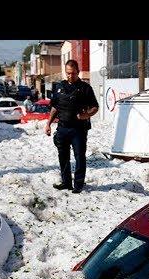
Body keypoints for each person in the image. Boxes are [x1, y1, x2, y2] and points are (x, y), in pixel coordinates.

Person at [45, 59, 99, 194]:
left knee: (79, 157)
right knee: (63, 156)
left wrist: (86, 115)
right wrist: (48, 124)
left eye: (73, 73)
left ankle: (78, 185)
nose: (71, 76)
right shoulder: (59, 87)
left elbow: (95, 107)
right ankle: (66, 182)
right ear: (65, 72)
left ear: (78, 72)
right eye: (68, 73)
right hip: (62, 128)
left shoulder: (85, 88)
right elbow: (55, 108)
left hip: (79, 130)